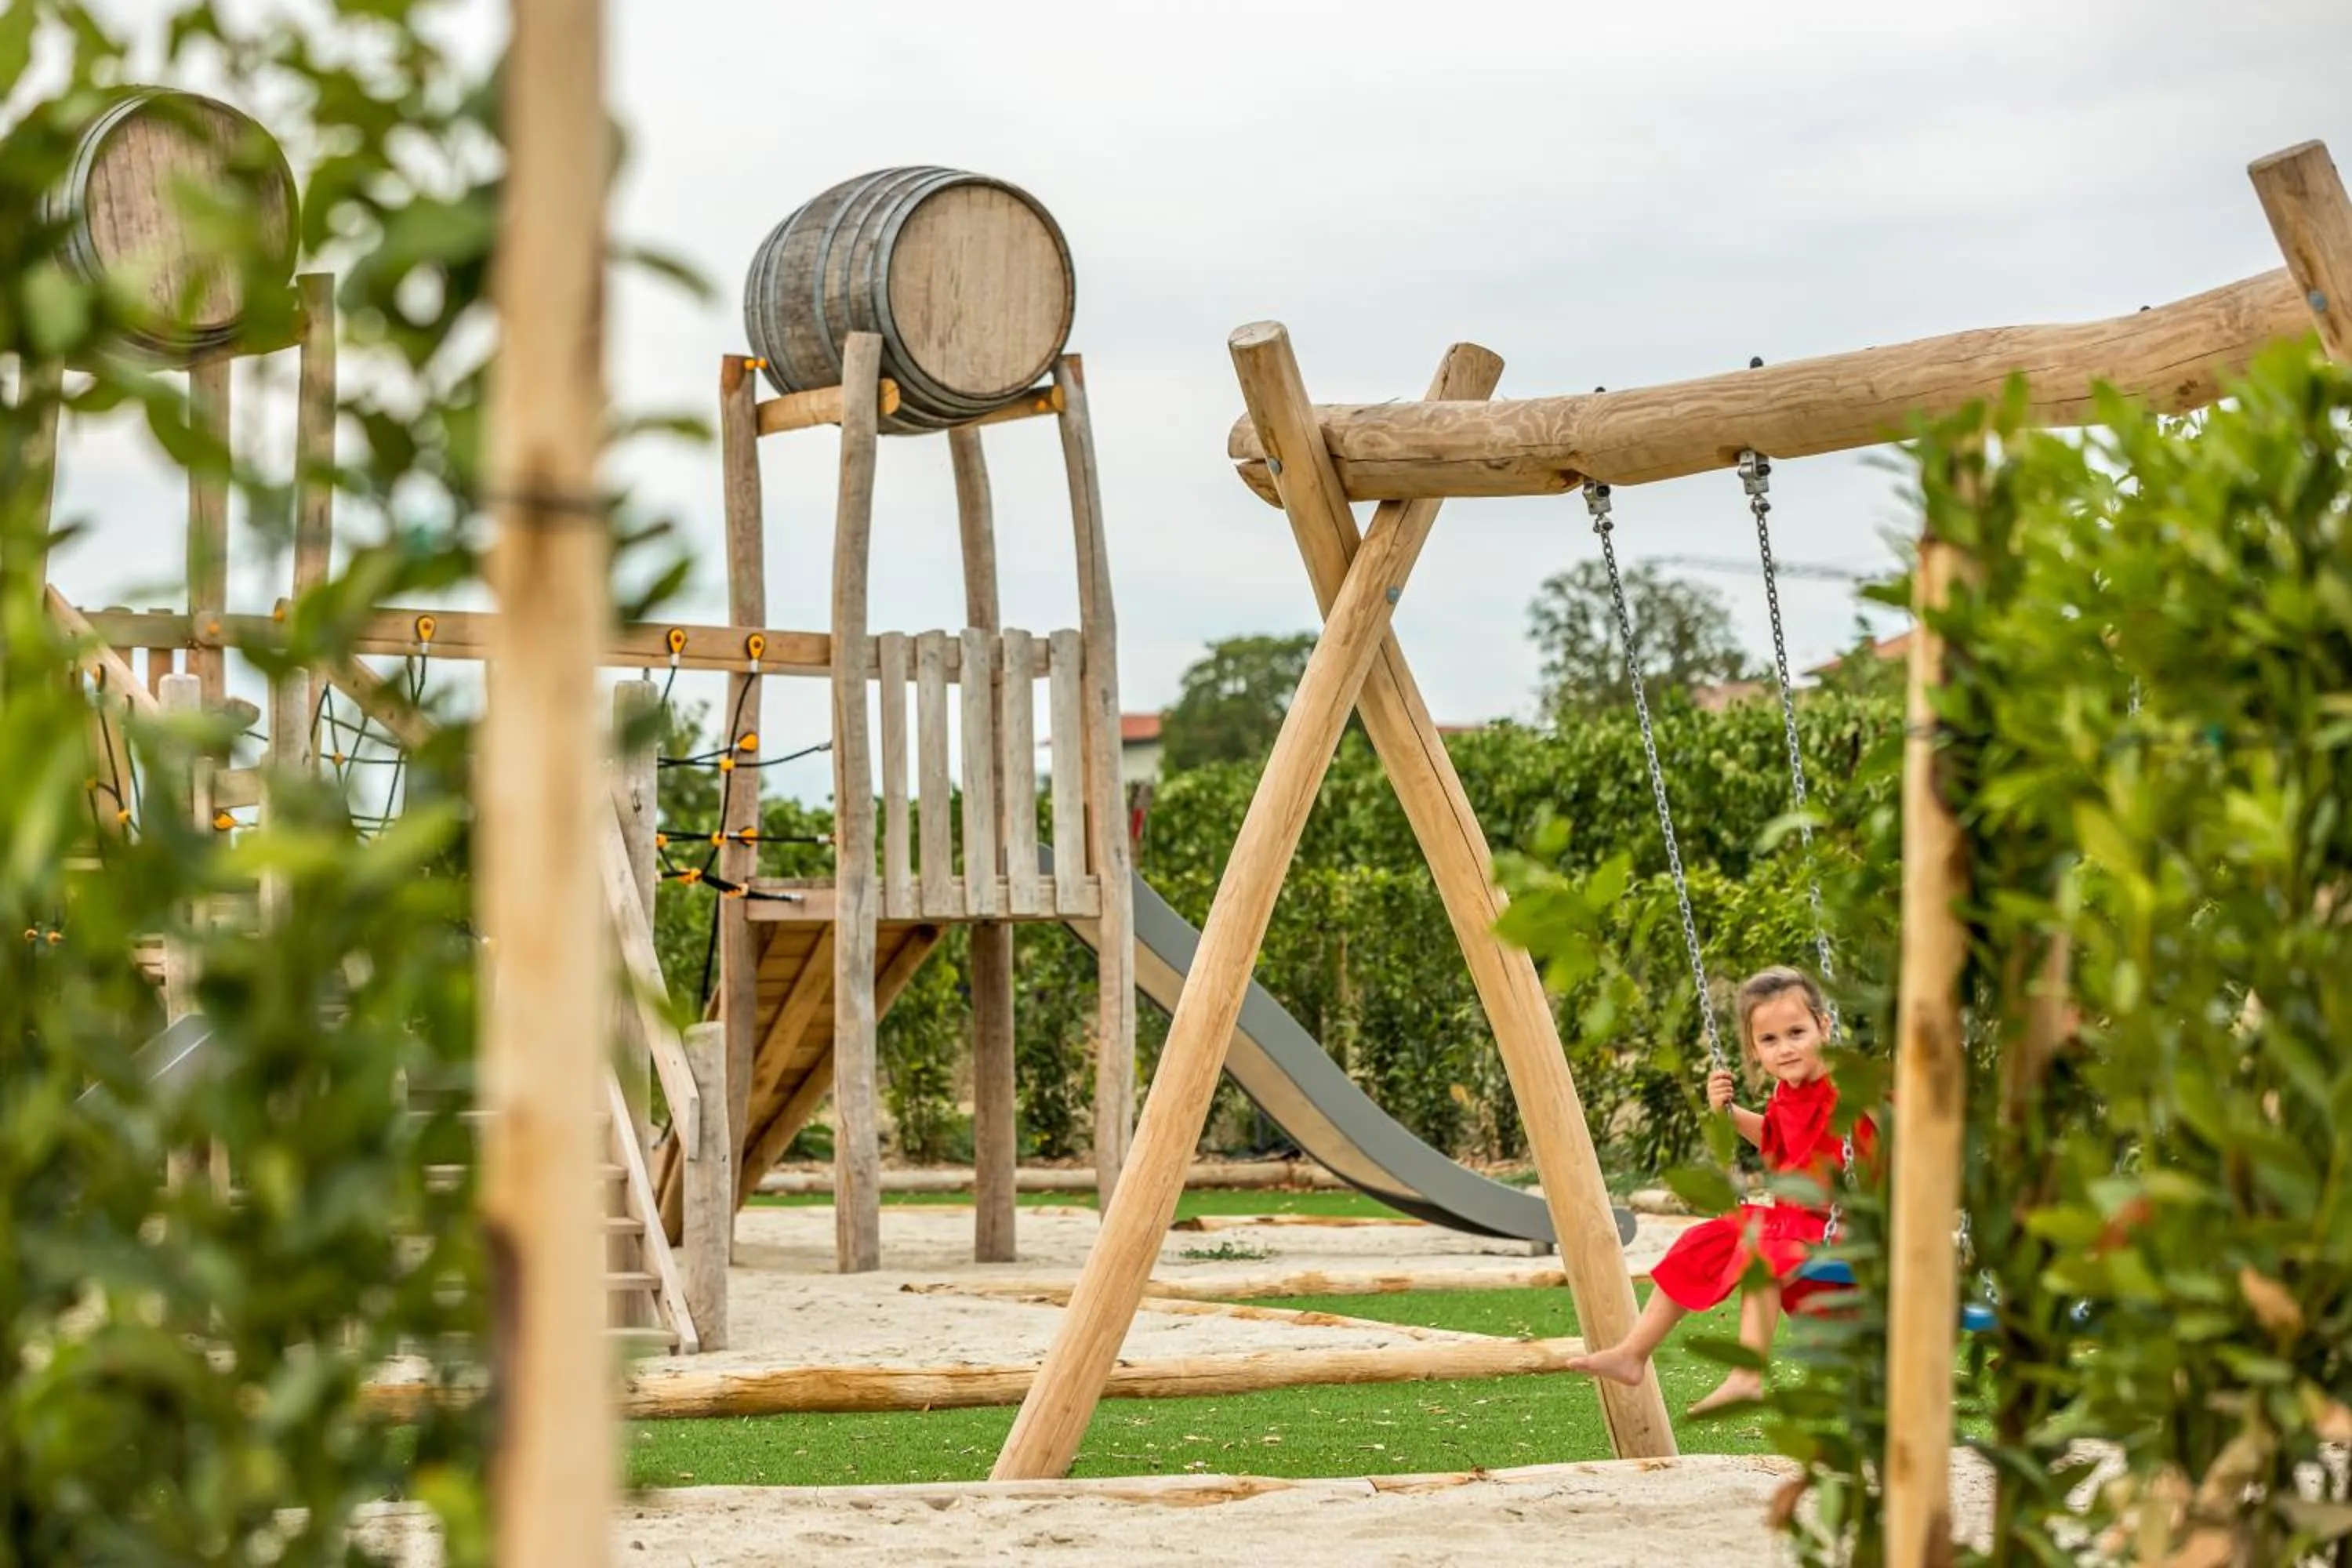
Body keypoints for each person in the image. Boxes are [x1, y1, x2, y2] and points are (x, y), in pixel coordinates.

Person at [1566, 964, 1872, 1416]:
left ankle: (1747, 1376)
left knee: (1761, 1245)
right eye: (1769, 1040)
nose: (1785, 1048)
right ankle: (1633, 1353)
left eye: (1797, 1032)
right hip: (1794, 1225)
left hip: (1845, 1232)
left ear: (1824, 1027)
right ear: (1753, 1048)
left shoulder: (1845, 1085)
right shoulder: (1788, 1093)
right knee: (1703, 1239)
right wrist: (1728, 1115)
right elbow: (1778, 1140)